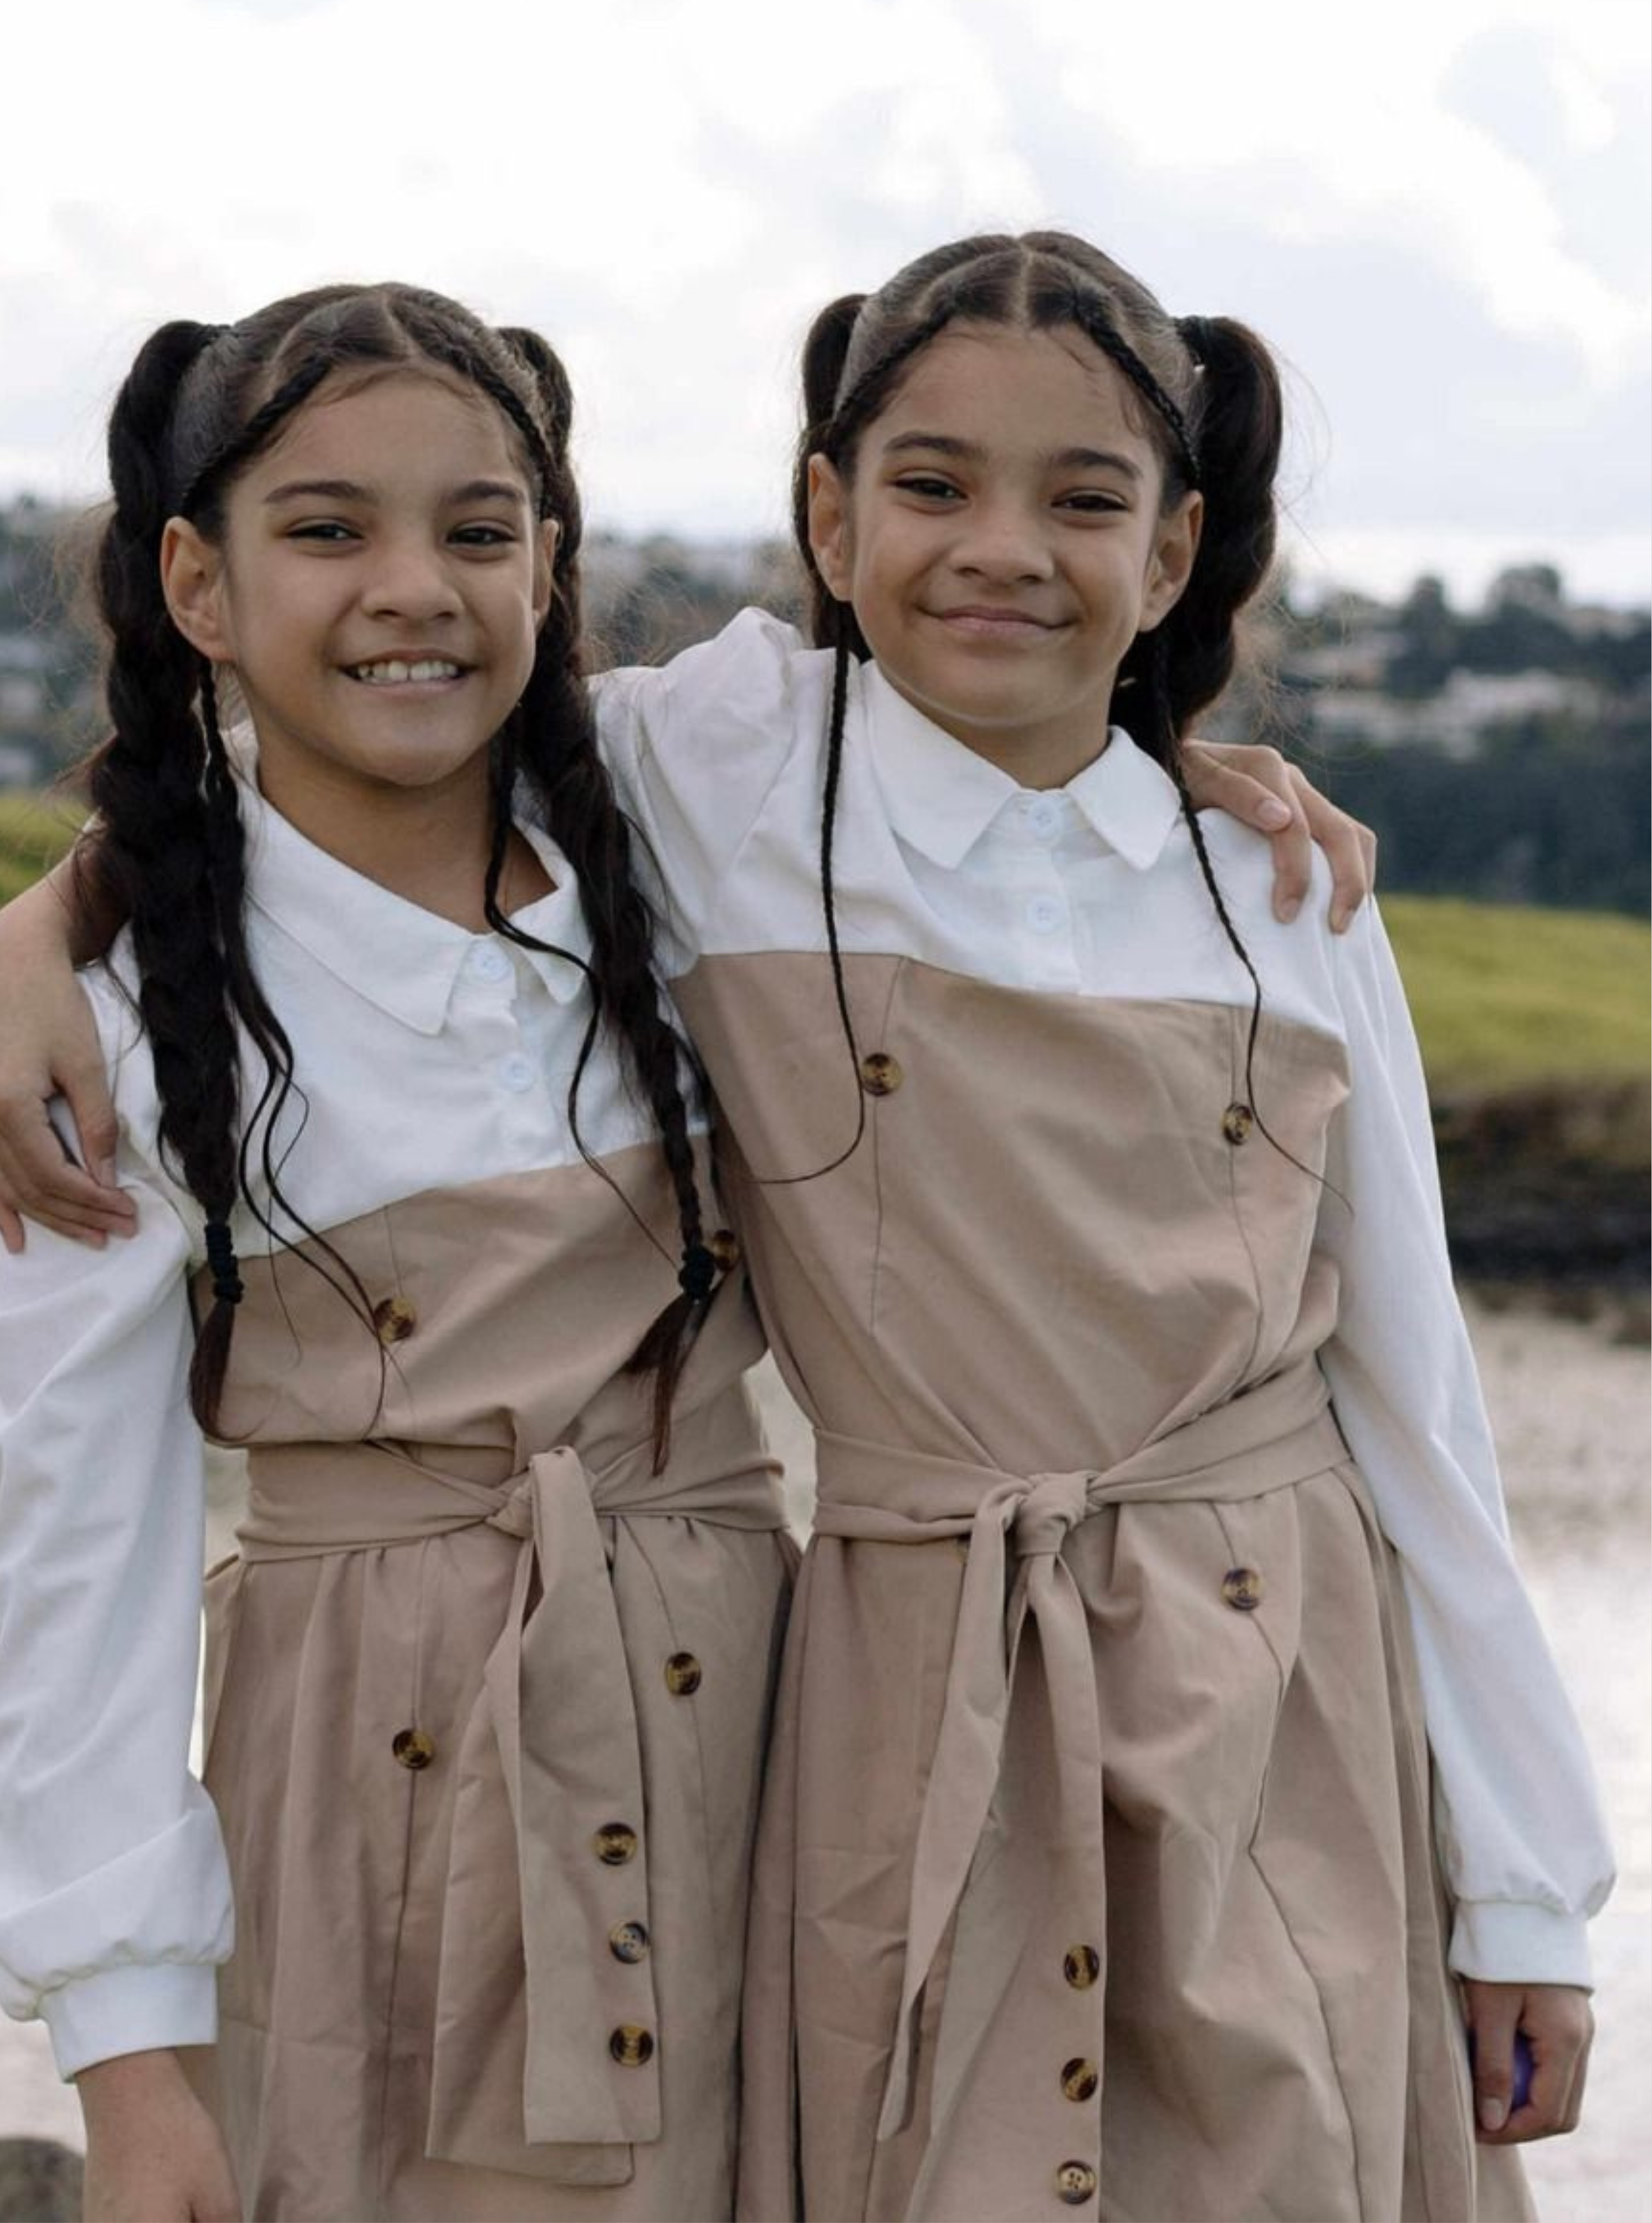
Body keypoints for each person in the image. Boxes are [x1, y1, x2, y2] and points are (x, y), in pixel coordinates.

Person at [582, 233, 1606, 2222]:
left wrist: (1525, 1886)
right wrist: (52, 934)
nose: (1001, 549)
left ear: (1168, 552)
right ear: (828, 510)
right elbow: (350, 743)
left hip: (1279, 1699)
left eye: (1082, 499)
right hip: (913, 1682)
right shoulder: (707, 772)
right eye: (932, 483)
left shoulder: (1274, 886)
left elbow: (1419, 1406)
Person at [0, 281, 796, 2223]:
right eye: (326, 529)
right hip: (363, 1763)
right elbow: (81, 1544)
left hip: (748, 1716)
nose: (412, 586)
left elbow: (978, 719)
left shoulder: (684, 830)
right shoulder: (128, 1008)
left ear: (551, 559)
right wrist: (128, 2057)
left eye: (478, 528)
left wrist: (1203, 775)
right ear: (196, 582)